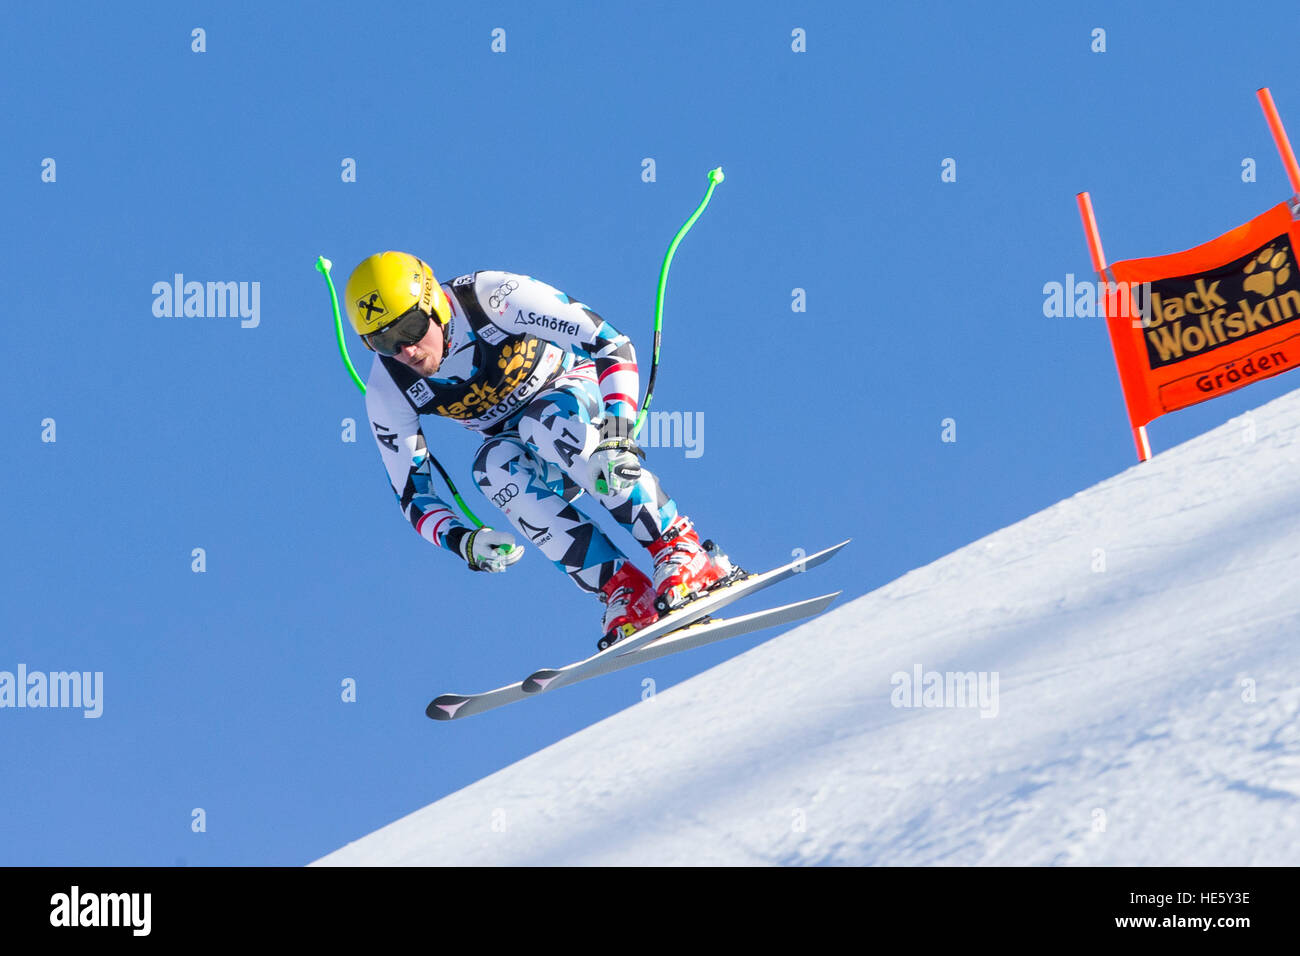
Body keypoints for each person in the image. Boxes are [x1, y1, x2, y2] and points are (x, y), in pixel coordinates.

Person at [344, 251, 736, 648]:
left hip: (579, 401)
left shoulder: (491, 298)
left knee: (542, 422)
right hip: (527, 445)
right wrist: (461, 540)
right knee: (492, 467)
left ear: (434, 305)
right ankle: (625, 589)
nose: (406, 350)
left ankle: (677, 545)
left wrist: (618, 434)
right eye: (384, 341)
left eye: (410, 327)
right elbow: (413, 495)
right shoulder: (388, 387)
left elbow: (611, 344)